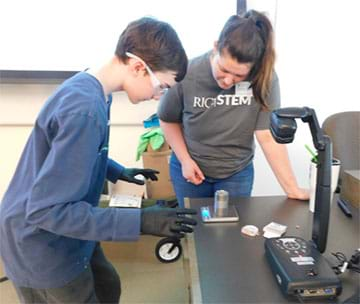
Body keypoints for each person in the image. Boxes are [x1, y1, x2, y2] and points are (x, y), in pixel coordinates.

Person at [0, 17, 197, 304]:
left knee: (107, 286)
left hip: (68, 227)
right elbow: (48, 212)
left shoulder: (94, 91)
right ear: (139, 67)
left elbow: (70, 155)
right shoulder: (85, 110)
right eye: (162, 87)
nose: (158, 97)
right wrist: (141, 221)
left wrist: (118, 171)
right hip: (41, 241)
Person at [157, 10, 309, 208]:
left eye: (239, 76)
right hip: (191, 168)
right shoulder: (188, 72)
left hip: (236, 173)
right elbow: (167, 119)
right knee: (193, 233)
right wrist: (185, 160)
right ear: (215, 48)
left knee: (231, 235)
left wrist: (292, 188)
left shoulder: (265, 78)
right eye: (224, 70)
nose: (228, 81)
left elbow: (267, 135)